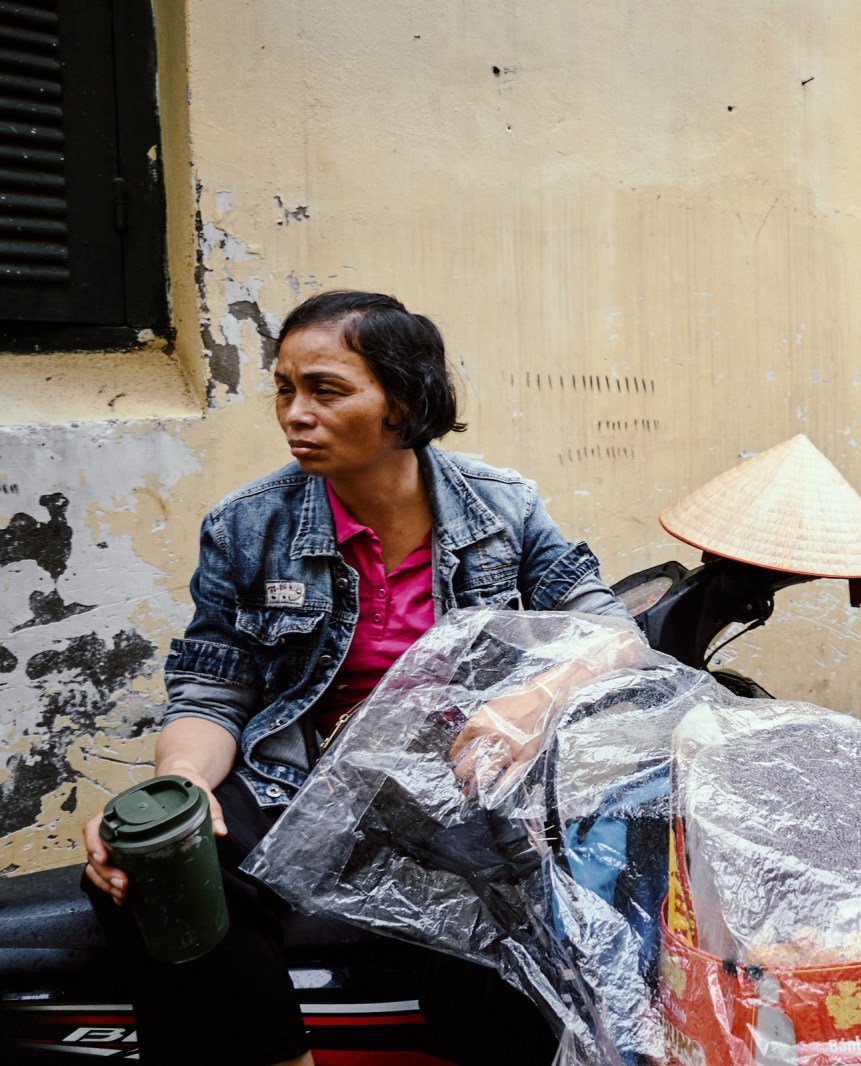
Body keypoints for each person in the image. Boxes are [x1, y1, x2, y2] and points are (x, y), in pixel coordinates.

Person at [80, 290, 631, 1066]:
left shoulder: (501, 507)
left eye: (326, 390)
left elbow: (610, 632)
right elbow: (213, 688)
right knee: (154, 866)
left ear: (403, 401)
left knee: (529, 910)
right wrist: (184, 786)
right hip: (302, 786)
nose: (294, 414)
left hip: (456, 785)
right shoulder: (248, 525)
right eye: (284, 388)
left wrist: (528, 704)